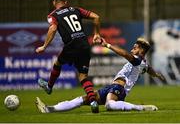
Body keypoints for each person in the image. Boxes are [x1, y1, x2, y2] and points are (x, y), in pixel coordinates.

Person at [35, 37, 164, 113]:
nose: (132, 49)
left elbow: (125, 54)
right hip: (111, 87)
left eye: (135, 48)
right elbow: (149, 70)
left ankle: (140, 108)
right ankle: (49, 109)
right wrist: (157, 75)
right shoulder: (143, 64)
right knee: (85, 99)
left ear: (141, 50)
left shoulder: (138, 60)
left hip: (120, 89)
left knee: (109, 105)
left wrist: (107, 45)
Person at [35, 0, 101, 113]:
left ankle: (49, 87)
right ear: (66, 2)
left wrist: (44, 46)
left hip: (71, 45)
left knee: (57, 64)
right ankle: (93, 102)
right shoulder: (76, 10)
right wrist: (96, 34)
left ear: (54, 2)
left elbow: (53, 28)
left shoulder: (53, 15)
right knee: (83, 76)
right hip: (84, 44)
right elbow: (96, 17)